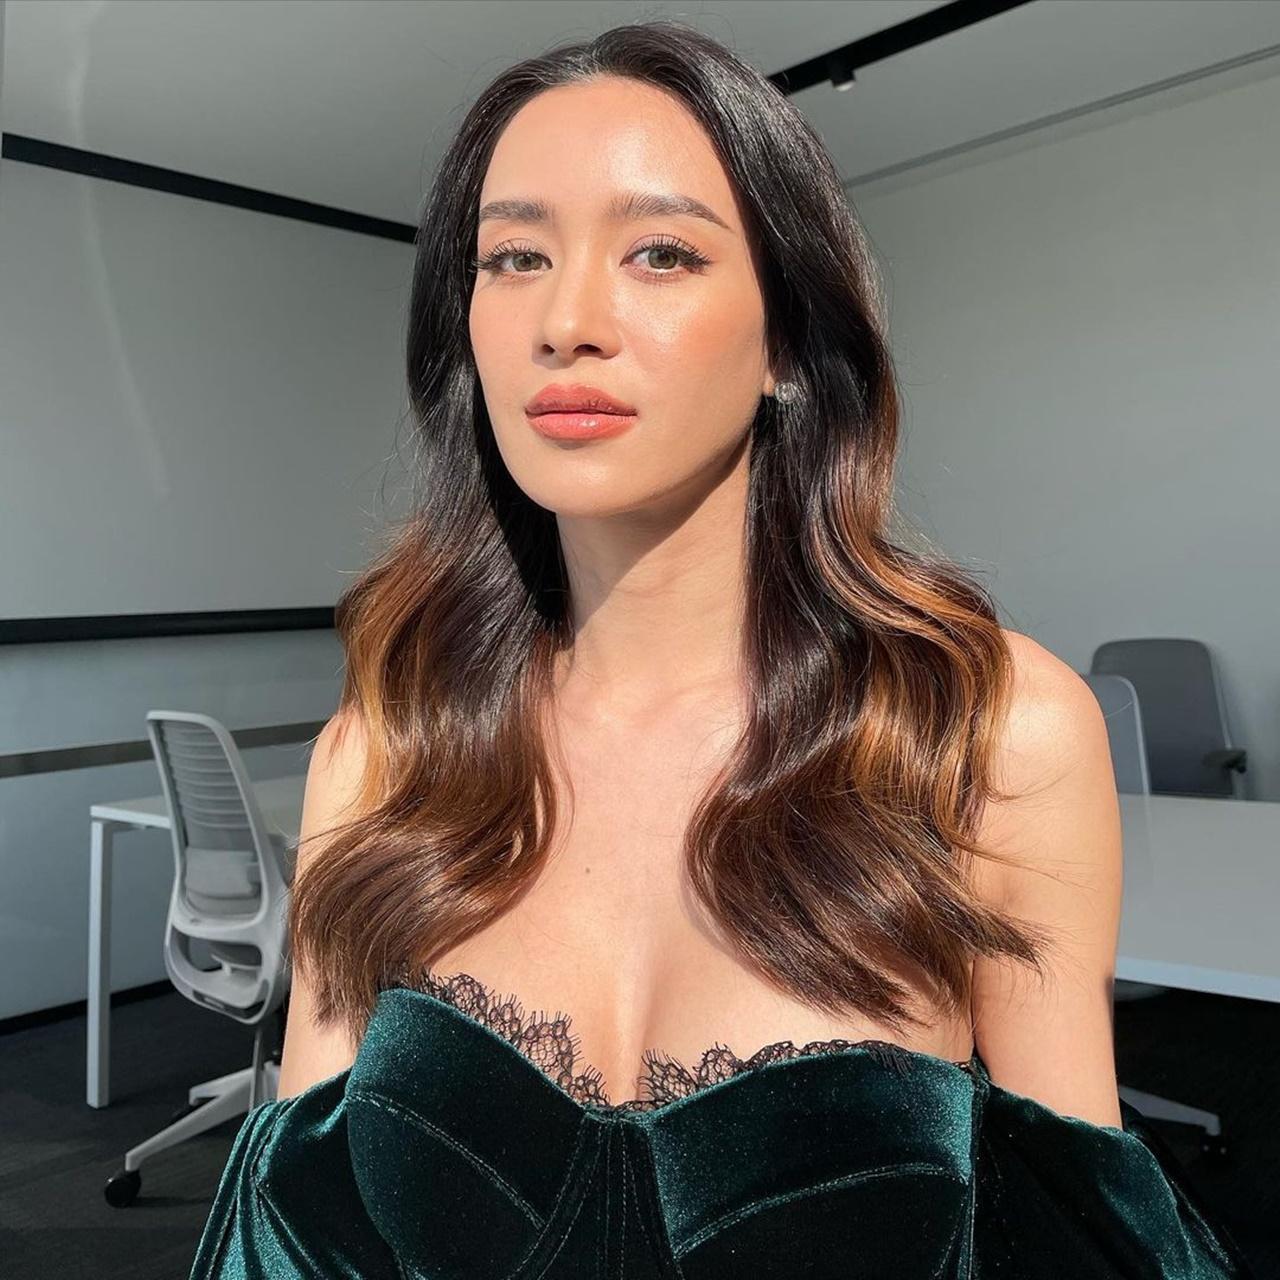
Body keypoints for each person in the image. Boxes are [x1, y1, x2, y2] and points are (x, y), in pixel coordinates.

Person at [188, 19, 1253, 1279]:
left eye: (660, 252)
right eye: (514, 256)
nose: (566, 319)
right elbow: (287, 1238)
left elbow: (1089, 1239)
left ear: (788, 342)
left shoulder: (984, 732)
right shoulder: (386, 750)